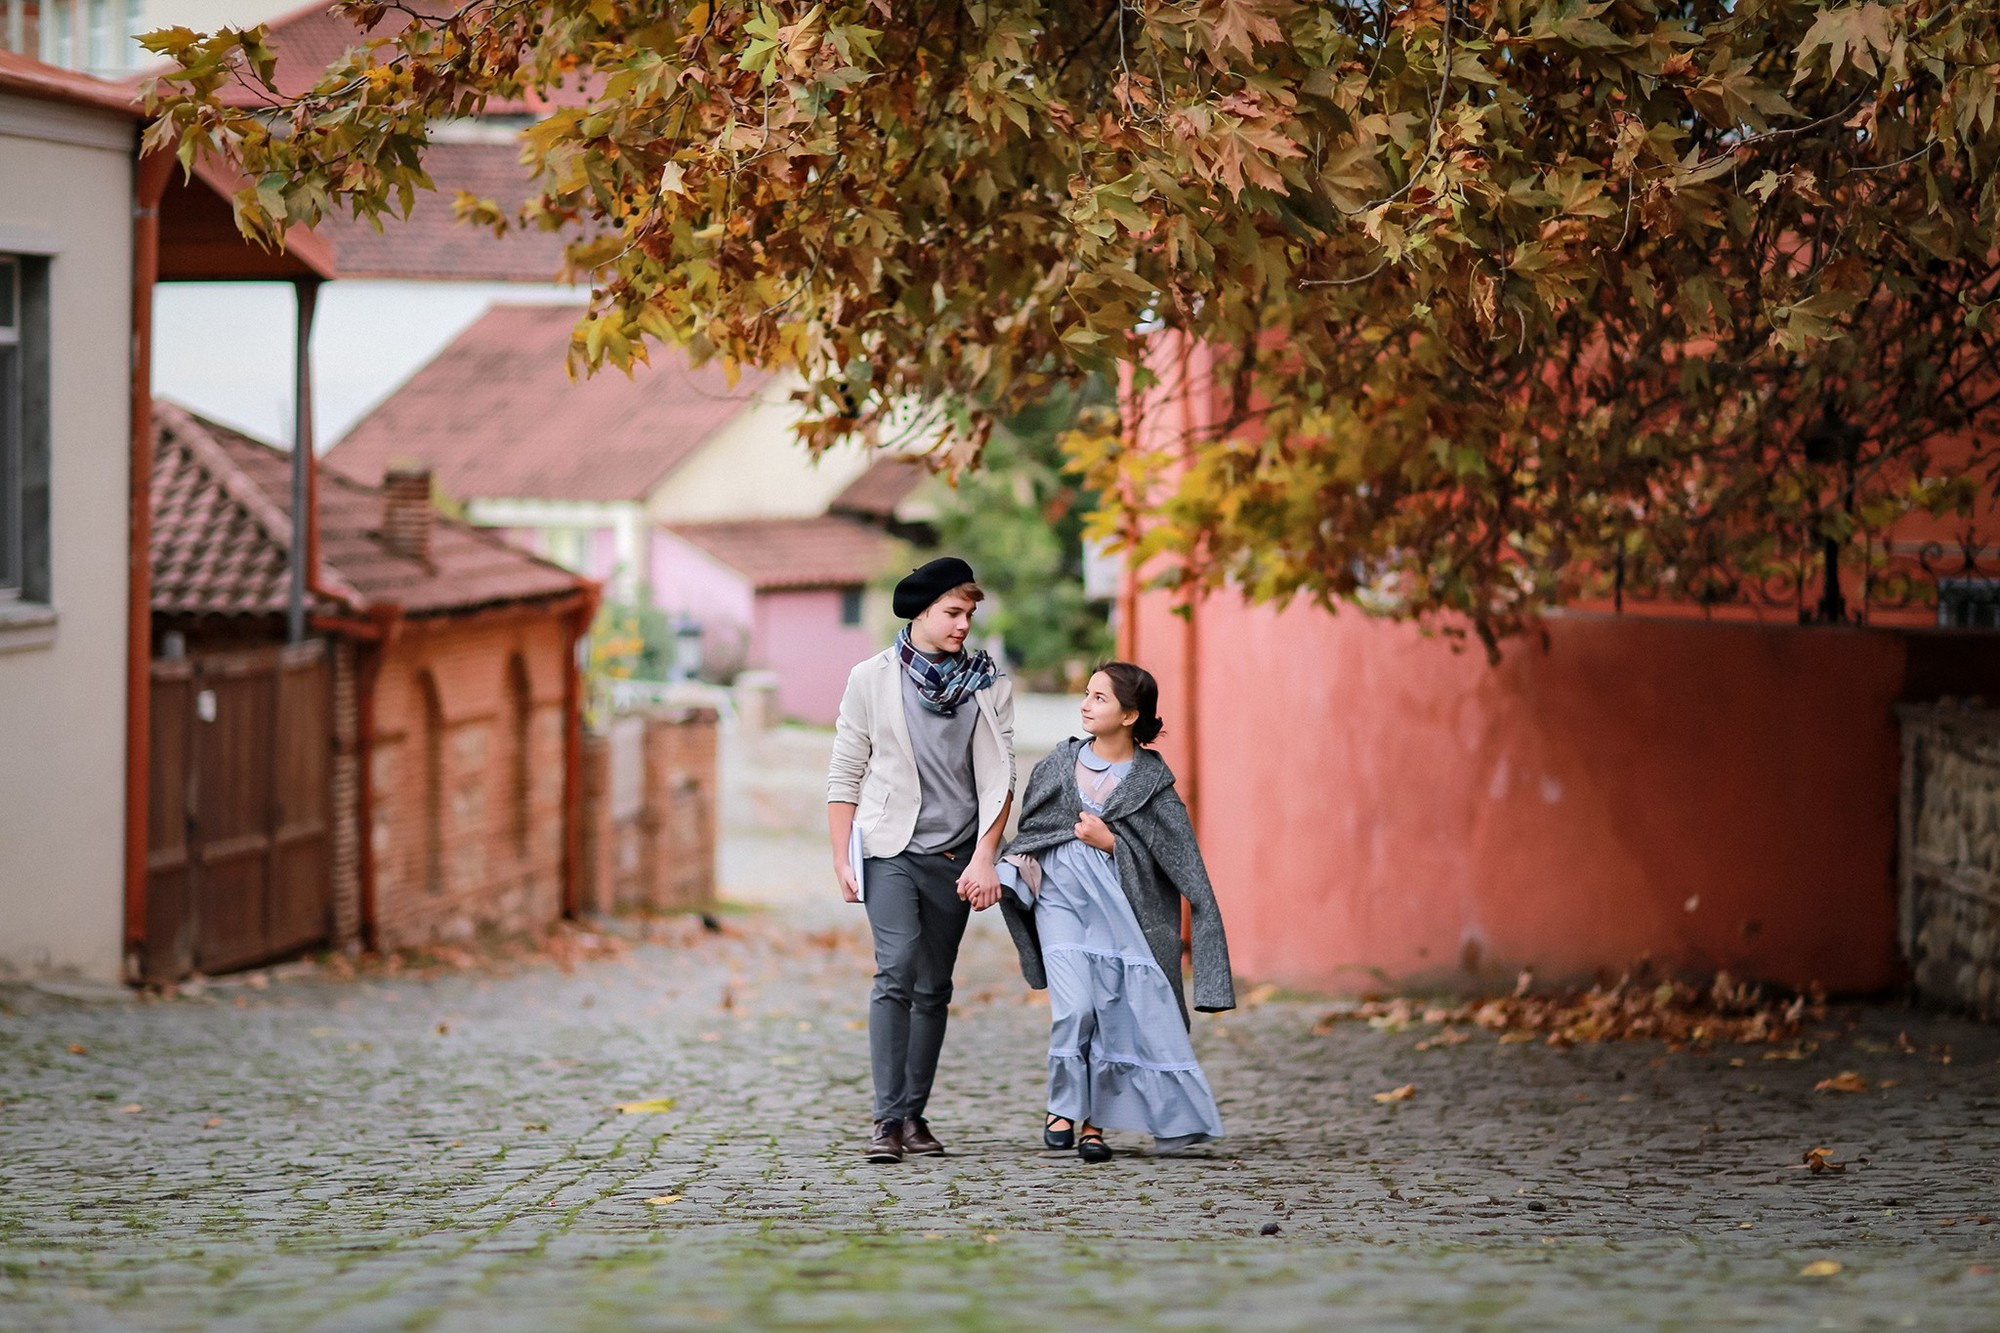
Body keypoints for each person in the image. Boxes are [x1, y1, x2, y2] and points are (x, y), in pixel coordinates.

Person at [997, 662, 1232, 1162]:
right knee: (1076, 1008)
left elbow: (1182, 865)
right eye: (1087, 694)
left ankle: (1093, 1127)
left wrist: (1113, 844)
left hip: (1123, 913)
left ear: (1130, 715)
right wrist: (1005, 873)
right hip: (1061, 905)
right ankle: (1061, 1106)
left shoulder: (1152, 782)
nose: (1085, 703)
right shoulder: (1058, 764)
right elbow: (1033, 831)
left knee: (1113, 1016)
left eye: (1099, 698)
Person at [827, 556, 1015, 1163]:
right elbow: (845, 769)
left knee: (934, 987)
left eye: (969, 613)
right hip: (890, 849)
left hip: (957, 853)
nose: (964, 625)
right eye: (953, 613)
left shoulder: (988, 684)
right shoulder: (871, 678)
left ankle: (913, 1116)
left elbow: (1000, 778)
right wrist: (841, 854)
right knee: (896, 967)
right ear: (922, 611)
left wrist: (986, 855)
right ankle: (885, 1121)